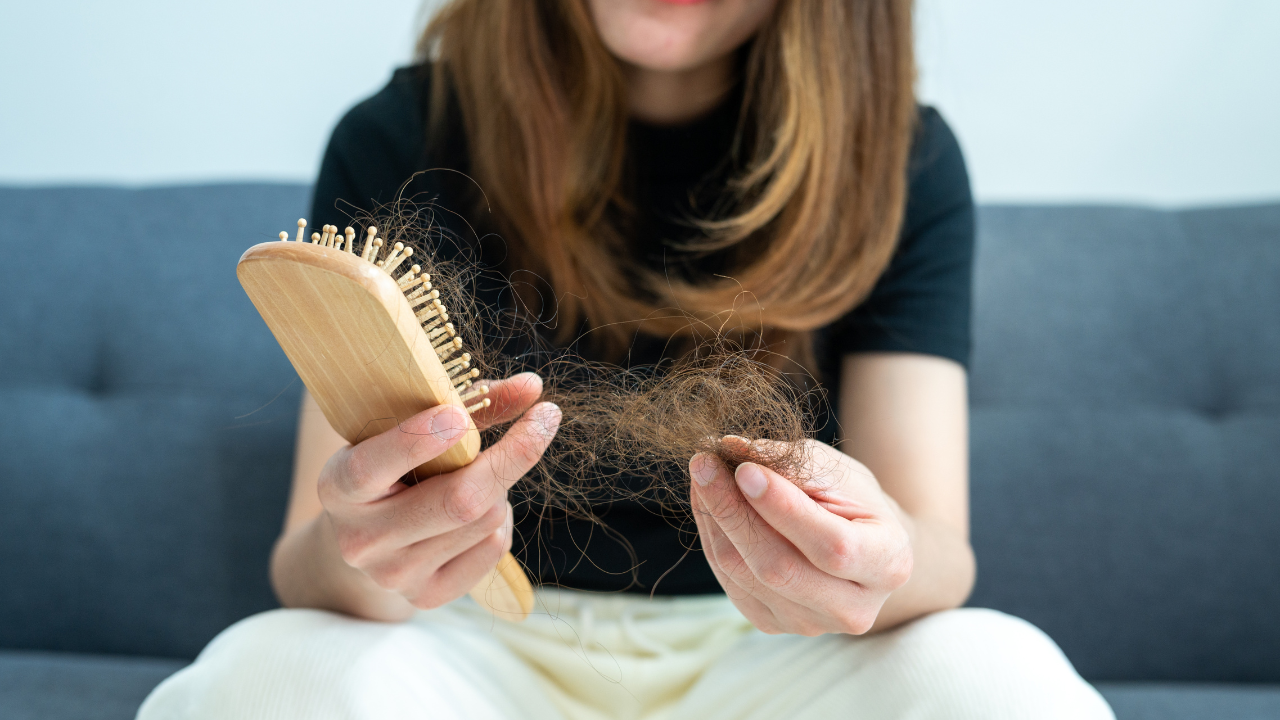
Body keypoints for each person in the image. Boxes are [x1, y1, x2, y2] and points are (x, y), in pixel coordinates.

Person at [140, 1, 1113, 718]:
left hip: (774, 656)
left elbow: (939, 552)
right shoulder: (395, 136)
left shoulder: (903, 161)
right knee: (259, 676)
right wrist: (364, 546)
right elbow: (308, 563)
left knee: (1000, 679)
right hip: (465, 649)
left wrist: (878, 557)